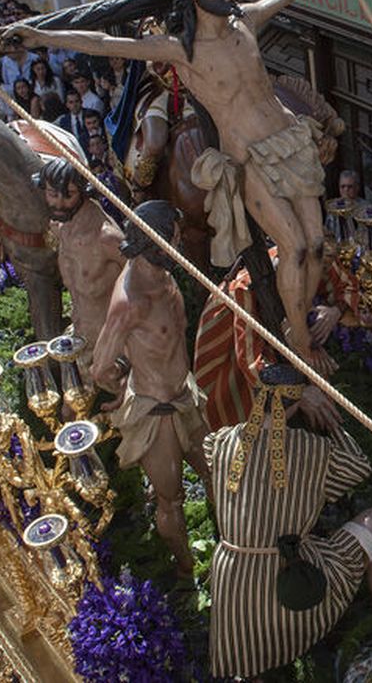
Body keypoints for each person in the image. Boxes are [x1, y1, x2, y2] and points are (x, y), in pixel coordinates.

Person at [6, 0, 340, 372]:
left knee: (317, 245)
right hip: (251, 159)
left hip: (292, 142)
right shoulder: (181, 51)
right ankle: (300, 342)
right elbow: (104, 42)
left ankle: (297, 319)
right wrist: (43, 36)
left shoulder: (245, 24)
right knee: (295, 247)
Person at [202, 363, 372, 678]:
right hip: (289, 585)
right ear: (297, 404)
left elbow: (208, 449)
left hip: (231, 583)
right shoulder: (310, 450)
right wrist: (332, 423)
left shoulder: (223, 441)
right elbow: (358, 466)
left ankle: (249, 666)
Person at [87, 202, 212, 574]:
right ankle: (186, 570)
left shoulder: (164, 272)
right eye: (172, 240)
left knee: (217, 472)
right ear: (151, 242)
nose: (179, 245)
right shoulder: (130, 302)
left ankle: (229, 547)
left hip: (186, 397)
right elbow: (100, 366)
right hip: (156, 414)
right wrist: (125, 382)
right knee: (170, 499)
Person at [34, 157, 124, 376]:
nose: (58, 203)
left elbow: (143, 283)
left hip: (116, 346)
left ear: (83, 192)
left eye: (68, 195)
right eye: (52, 194)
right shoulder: (60, 226)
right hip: (80, 333)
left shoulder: (106, 238)